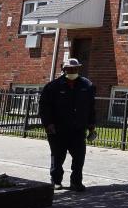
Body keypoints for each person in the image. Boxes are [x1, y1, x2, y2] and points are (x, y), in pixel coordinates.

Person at [38, 58, 97, 191]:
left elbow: (91, 107)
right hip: (58, 130)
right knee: (58, 157)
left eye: (75, 69)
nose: (72, 71)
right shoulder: (53, 86)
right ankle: (56, 180)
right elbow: (44, 107)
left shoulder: (86, 85)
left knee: (79, 157)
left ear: (78, 69)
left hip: (78, 129)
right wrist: (48, 124)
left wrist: (91, 125)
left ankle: (76, 182)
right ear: (63, 70)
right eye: (69, 69)